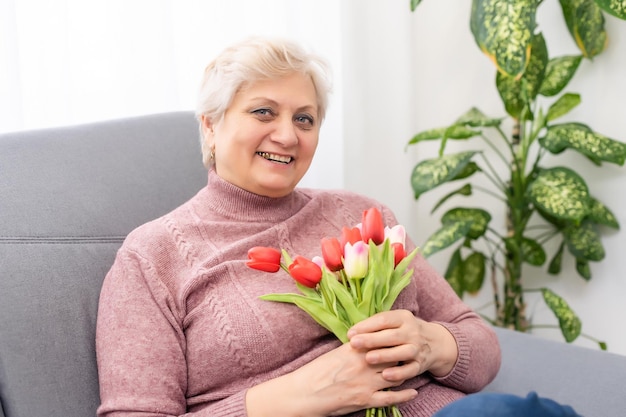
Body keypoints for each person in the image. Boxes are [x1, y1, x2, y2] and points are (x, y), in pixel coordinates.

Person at [96, 36, 502, 417]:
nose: (288, 135)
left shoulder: (361, 213)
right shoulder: (152, 257)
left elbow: (480, 345)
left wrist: (431, 345)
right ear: (210, 126)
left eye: (305, 119)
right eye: (263, 112)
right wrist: (302, 395)